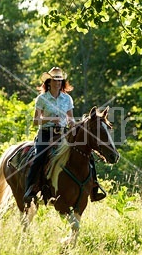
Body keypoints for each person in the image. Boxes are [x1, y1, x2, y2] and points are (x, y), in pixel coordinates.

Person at [23, 66, 106, 204]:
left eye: (60, 80)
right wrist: (51, 120)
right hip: (45, 134)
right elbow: (35, 121)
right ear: (48, 82)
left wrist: (74, 125)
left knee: (87, 154)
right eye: (55, 80)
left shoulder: (67, 99)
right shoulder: (42, 99)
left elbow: (70, 118)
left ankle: (94, 187)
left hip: (62, 133)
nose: (58, 82)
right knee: (39, 157)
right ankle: (30, 189)